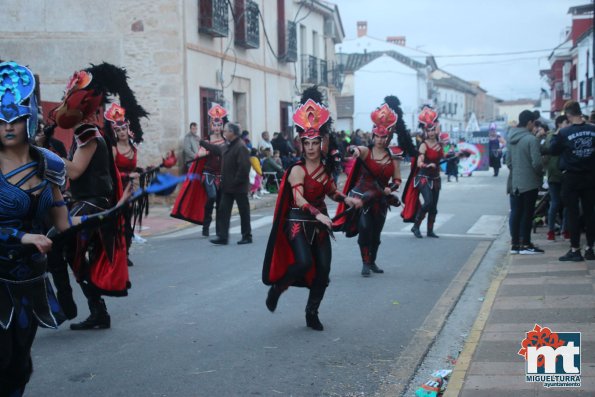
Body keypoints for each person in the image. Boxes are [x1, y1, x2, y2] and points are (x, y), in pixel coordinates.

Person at [49, 63, 145, 330]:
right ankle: (96, 312)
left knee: (55, 242)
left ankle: (66, 305)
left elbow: (76, 170)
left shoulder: (88, 133)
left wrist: (46, 158)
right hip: (86, 201)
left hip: (91, 203)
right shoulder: (88, 133)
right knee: (74, 256)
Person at [262, 87, 361, 330]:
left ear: (321, 143)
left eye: (314, 143)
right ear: (301, 144)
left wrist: (346, 200)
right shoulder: (297, 169)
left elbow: (331, 192)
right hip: (298, 223)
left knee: (324, 271)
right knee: (304, 263)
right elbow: (299, 200)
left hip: (320, 225)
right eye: (306, 143)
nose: (310, 147)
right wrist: (319, 215)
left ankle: (312, 312)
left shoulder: (325, 171)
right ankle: (278, 288)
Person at [334, 102, 402, 277]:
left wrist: (390, 188)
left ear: (388, 137)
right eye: (378, 136)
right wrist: (353, 150)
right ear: (373, 136)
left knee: (376, 234)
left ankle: (372, 261)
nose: (380, 140)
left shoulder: (393, 157)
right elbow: (355, 149)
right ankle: (365, 263)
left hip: (380, 199)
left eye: (384, 137)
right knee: (364, 229)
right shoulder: (366, 151)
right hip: (363, 198)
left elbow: (397, 180)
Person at [171, 104, 227, 237]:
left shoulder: (225, 142)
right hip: (208, 174)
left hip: (222, 175)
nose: (217, 127)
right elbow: (200, 155)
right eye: (215, 124)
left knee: (220, 202)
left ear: (222, 126)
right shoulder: (206, 140)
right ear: (211, 125)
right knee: (212, 196)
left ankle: (219, 229)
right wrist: (203, 151)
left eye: (219, 125)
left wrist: (207, 147)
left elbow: (222, 153)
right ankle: (206, 225)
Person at [550, 100, 595, 261]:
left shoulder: (564, 133)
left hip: (571, 177)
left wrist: (557, 133)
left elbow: (552, 150)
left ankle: (575, 249)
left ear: (568, 115)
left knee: (573, 213)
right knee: (590, 213)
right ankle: (590, 248)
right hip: (590, 176)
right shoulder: (593, 129)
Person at [201, 122, 252, 245]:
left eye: (226, 131)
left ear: (232, 133)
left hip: (239, 187)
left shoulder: (240, 147)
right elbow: (217, 150)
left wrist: (236, 181)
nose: (224, 132)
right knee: (223, 211)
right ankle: (222, 237)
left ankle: (247, 236)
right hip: (228, 187)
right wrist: (203, 143)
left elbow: (244, 167)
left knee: (243, 212)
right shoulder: (228, 146)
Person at [105, 103, 143, 266]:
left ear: (128, 129)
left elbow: (134, 168)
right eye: (118, 130)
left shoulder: (134, 149)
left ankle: (125, 252)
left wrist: (141, 172)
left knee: (128, 222)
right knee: (115, 221)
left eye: (123, 129)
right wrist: (128, 175)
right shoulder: (113, 149)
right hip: (116, 190)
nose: (121, 132)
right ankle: (113, 252)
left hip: (130, 190)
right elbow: (110, 172)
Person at [402, 105, 444, 239]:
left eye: (433, 130)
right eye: (429, 130)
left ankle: (430, 231)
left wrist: (459, 155)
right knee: (428, 203)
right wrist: (428, 164)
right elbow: (419, 163)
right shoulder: (423, 145)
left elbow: (444, 156)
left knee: (434, 206)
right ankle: (416, 226)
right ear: (425, 131)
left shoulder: (440, 145)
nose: (431, 133)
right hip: (423, 177)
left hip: (436, 178)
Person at [506, 110, 544, 255]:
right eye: (533, 123)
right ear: (529, 122)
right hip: (529, 183)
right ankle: (526, 244)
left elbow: (508, 162)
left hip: (514, 182)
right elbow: (537, 164)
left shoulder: (511, 138)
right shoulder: (531, 140)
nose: (534, 126)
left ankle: (515, 245)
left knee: (515, 213)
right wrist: (539, 174)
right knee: (527, 214)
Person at [542, 115, 568, 241]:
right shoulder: (552, 136)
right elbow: (547, 152)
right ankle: (552, 230)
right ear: (559, 124)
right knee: (556, 202)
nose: (567, 125)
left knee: (567, 203)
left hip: (564, 173)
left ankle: (564, 229)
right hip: (555, 174)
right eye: (565, 123)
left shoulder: (566, 135)